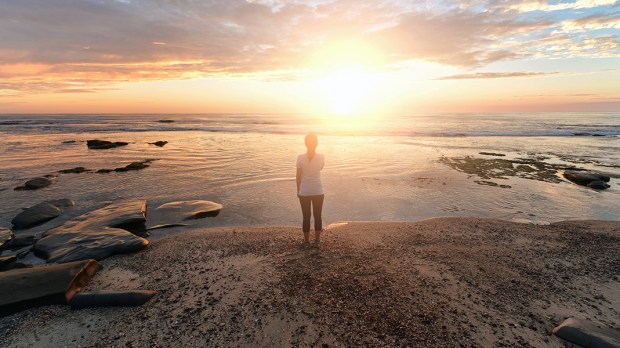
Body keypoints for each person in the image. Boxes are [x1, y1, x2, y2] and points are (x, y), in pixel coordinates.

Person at [296, 132, 325, 249]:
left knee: (306, 216)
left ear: (305, 144)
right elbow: (320, 168)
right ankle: (317, 241)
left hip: (304, 191)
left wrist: (298, 190)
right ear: (316, 143)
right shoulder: (321, 157)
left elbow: (298, 176)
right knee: (318, 216)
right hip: (318, 190)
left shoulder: (300, 158)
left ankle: (307, 242)